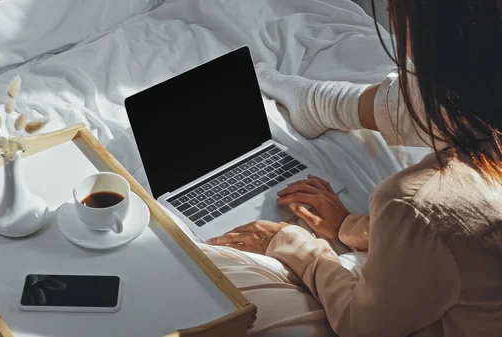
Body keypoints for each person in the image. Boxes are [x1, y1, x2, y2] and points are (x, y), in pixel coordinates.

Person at [205, 0, 502, 336]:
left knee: (213, 284)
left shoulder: (414, 202)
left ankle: (319, 103)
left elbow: (361, 326)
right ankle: (319, 104)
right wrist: (350, 226)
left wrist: (289, 241)